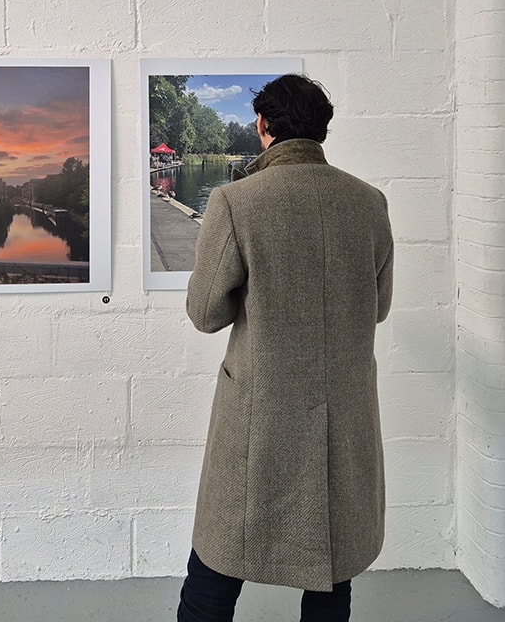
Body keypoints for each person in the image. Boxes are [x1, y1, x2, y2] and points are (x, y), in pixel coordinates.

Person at [179, 74, 394, 622]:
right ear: (321, 130)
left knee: (218, 559)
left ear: (262, 125)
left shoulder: (235, 201)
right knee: (332, 563)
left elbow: (205, 314)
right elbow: (378, 307)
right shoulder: (369, 202)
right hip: (343, 411)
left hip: (260, 412)